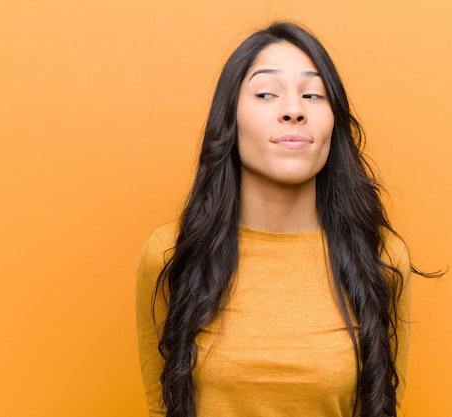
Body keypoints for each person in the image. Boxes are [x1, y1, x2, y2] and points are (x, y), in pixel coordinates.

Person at [136, 21, 435, 417]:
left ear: (334, 123)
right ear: (230, 120)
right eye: (265, 93)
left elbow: (384, 404)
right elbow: (164, 405)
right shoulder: (172, 252)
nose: (294, 110)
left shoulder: (380, 257)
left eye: (313, 95)